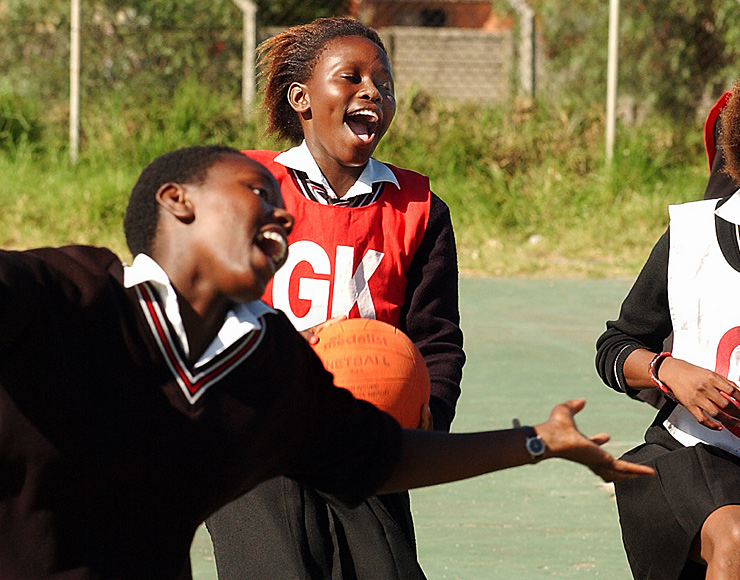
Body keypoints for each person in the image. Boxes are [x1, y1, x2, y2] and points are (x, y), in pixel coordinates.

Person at [0, 144, 651, 579]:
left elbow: (380, 457)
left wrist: (540, 441)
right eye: (256, 190)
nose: (281, 211)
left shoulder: (266, 367)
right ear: (179, 201)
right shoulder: (68, 292)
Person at [206, 17, 465, 580]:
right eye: (350, 78)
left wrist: (427, 418)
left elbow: (437, 336)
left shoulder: (419, 208)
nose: (372, 92)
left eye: (384, 83)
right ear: (301, 98)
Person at [595, 80, 740, 580]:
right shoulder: (693, 239)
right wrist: (669, 370)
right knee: (737, 540)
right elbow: (613, 349)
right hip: (691, 456)